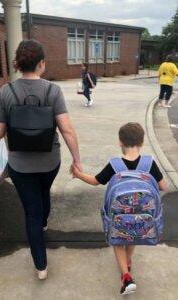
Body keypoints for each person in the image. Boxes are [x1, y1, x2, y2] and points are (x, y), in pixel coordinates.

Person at [0, 39, 81, 280]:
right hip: (50, 161)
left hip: (20, 165)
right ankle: (42, 224)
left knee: (31, 209)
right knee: (43, 194)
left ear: (19, 64)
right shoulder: (53, 91)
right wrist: (77, 160)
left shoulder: (5, 92)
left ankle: (40, 266)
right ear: (41, 63)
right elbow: (67, 129)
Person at [71, 122, 166, 295]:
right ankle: (127, 263)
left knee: (118, 239)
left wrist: (77, 174)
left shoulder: (115, 165)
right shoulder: (149, 163)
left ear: (120, 142)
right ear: (142, 142)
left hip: (118, 214)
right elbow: (163, 186)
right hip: (143, 215)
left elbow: (95, 181)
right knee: (134, 234)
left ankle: (126, 277)